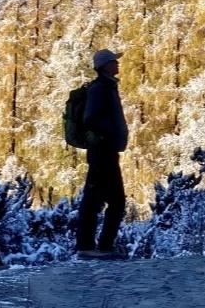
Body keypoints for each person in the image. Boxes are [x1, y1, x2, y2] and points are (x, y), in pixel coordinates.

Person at [75, 48, 129, 258]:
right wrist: (111, 133)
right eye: (114, 61)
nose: (117, 64)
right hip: (102, 152)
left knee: (96, 199)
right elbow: (90, 119)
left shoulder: (106, 87)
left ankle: (91, 246)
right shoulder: (100, 89)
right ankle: (98, 247)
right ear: (104, 65)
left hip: (104, 152)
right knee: (112, 201)